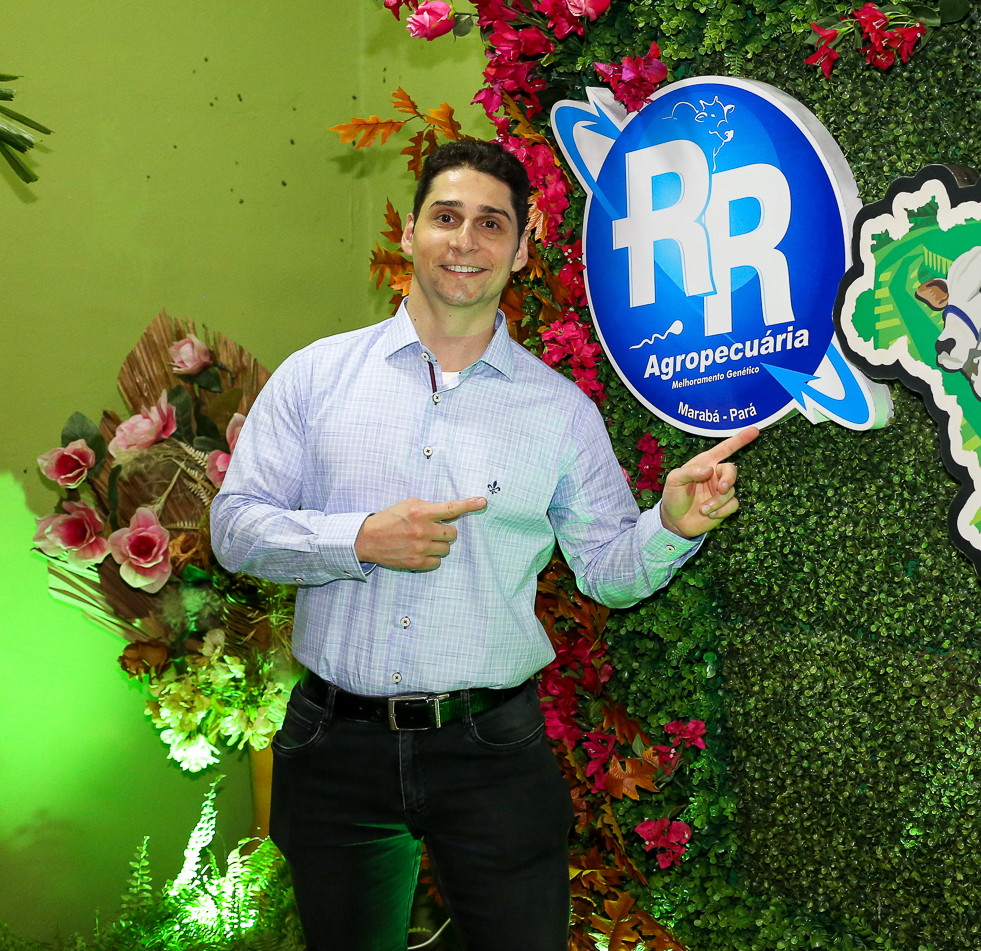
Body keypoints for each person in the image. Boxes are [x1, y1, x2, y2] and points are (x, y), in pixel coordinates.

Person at [210, 137, 756, 951]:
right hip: (334, 743)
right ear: (409, 233)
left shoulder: (560, 411)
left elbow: (607, 569)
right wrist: (359, 537)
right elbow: (234, 528)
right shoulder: (315, 378)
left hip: (490, 750)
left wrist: (670, 526)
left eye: (492, 223)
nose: (465, 240)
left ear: (522, 248)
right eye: (446, 216)